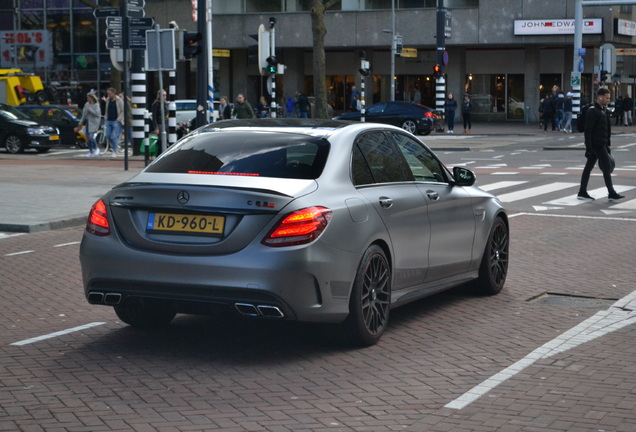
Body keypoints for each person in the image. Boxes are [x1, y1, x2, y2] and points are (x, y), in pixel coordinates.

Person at [578, 87, 624, 201]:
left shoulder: (602, 110)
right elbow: (588, 130)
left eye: (609, 98)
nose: (608, 100)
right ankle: (611, 193)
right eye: (607, 98)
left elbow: (605, 130)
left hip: (601, 144)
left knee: (589, 167)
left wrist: (607, 145)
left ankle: (582, 192)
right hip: (597, 145)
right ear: (600, 97)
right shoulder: (593, 111)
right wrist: (588, 147)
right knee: (607, 167)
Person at [75, 92, 101, 157]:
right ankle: (91, 151)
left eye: (89, 98)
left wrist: (90, 109)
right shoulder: (86, 104)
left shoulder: (96, 105)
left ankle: (97, 148)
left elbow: (97, 114)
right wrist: (80, 123)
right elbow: (84, 115)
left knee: (91, 137)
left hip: (94, 123)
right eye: (87, 98)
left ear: (92, 98)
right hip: (88, 123)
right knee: (87, 138)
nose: (88, 99)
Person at [103, 87, 123, 157]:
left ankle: (114, 151)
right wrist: (106, 117)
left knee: (114, 136)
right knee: (108, 135)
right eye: (108, 94)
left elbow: (122, 111)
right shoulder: (108, 100)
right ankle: (116, 145)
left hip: (116, 121)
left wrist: (118, 119)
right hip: (108, 120)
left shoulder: (119, 100)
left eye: (109, 93)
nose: (108, 95)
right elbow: (106, 109)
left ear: (113, 93)